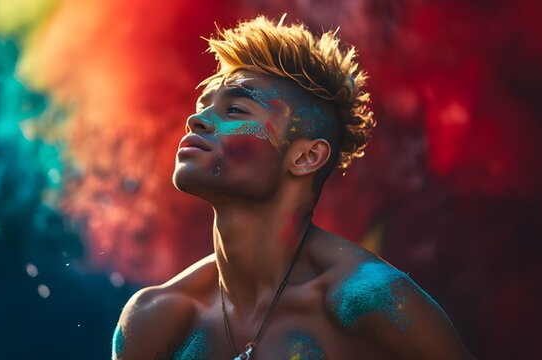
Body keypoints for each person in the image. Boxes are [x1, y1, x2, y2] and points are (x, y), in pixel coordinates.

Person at [112, 15, 473, 360]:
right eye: (203, 106)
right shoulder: (155, 318)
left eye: (235, 109)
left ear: (306, 157)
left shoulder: (373, 302)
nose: (196, 119)